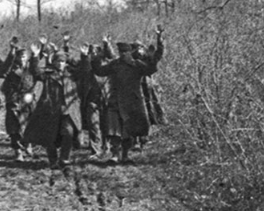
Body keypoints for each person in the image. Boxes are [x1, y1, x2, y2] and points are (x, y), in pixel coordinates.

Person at [92, 29, 163, 164]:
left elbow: (151, 68)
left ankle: (124, 155)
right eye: (121, 52)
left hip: (132, 103)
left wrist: (159, 42)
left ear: (130, 52)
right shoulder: (115, 64)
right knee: (114, 130)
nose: (123, 54)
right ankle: (114, 155)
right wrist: (95, 57)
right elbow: (100, 71)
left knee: (128, 131)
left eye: (125, 52)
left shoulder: (137, 65)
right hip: (115, 101)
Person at [24, 47, 83, 171]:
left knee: (69, 133)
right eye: (58, 61)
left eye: (63, 61)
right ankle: (53, 161)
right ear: (53, 62)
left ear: (66, 63)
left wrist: (84, 55)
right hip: (51, 110)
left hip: (68, 110)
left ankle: (64, 158)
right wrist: (35, 56)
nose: (60, 64)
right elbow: (35, 72)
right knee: (50, 137)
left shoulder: (72, 74)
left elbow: (86, 69)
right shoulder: (48, 74)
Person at [0, 37, 38, 161]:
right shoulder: (10, 69)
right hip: (14, 99)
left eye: (24, 56)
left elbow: (37, 67)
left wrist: (36, 54)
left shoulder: (31, 68)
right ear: (16, 57)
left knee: (30, 124)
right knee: (14, 127)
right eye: (20, 56)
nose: (22, 58)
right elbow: (1, 63)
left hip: (28, 101)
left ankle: (28, 145)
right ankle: (17, 151)